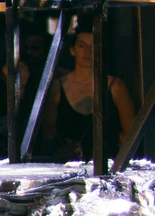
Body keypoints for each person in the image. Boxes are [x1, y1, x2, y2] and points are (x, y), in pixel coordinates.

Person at [48, 31, 138, 163]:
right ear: (72, 50)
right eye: (81, 46)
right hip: (69, 165)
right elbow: (48, 133)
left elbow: (131, 135)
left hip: (108, 163)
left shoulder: (116, 86)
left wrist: (108, 143)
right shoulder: (57, 87)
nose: (87, 51)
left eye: (93, 45)